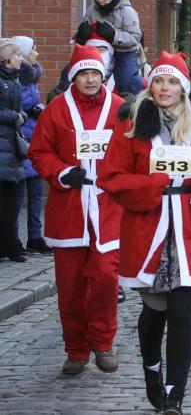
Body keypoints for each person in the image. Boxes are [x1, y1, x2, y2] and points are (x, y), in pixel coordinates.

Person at [98, 52, 191, 414]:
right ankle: (152, 371)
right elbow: (111, 176)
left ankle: (176, 394)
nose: (165, 88)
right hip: (149, 228)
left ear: (183, 87)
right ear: (150, 83)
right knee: (155, 310)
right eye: (159, 80)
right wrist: (150, 185)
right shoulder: (131, 122)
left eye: (172, 81)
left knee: (181, 311)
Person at [28, 44, 125, 374]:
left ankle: (103, 342)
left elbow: (135, 150)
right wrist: (62, 172)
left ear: (103, 76)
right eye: (83, 73)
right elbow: (39, 152)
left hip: (107, 208)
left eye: (95, 73)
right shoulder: (56, 109)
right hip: (69, 209)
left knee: (105, 280)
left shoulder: (119, 108)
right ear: (74, 76)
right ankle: (76, 350)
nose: (89, 79)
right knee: (69, 288)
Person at [78, 0, 145, 96]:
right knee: (74, 70)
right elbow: (84, 25)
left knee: (127, 77)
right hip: (97, 52)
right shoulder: (92, 10)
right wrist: (81, 35)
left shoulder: (127, 11)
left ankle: (137, 102)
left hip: (123, 52)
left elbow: (135, 37)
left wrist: (115, 36)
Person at [11, 36, 49, 254]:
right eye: (34, 49)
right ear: (24, 54)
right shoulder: (17, 77)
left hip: (32, 138)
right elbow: (14, 107)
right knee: (18, 196)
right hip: (20, 140)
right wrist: (29, 113)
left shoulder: (32, 75)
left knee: (35, 192)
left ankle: (35, 236)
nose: (37, 53)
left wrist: (39, 108)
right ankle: (14, 238)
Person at [0, 39, 27, 262]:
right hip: (2, 148)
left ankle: (10, 244)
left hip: (12, 147)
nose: (21, 58)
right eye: (18, 55)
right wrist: (15, 117)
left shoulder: (15, 81)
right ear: (7, 58)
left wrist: (21, 115)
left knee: (11, 203)